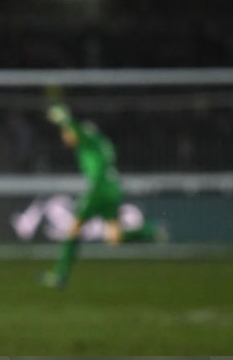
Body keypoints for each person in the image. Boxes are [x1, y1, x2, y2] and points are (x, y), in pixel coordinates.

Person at [42, 103, 160, 288]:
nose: (65, 138)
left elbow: (73, 127)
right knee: (114, 238)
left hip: (99, 188)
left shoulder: (87, 139)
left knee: (73, 229)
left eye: (66, 135)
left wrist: (61, 118)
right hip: (112, 187)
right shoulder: (102, 143)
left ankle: (60, 275)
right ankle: (149, 231)